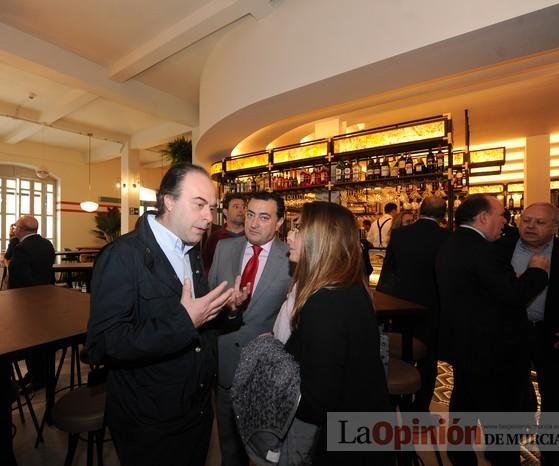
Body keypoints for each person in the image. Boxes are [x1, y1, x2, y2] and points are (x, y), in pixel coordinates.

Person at [86, 163, 236, 466]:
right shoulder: (122, 256)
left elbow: (197, 320)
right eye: (199, 204)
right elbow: (102, 344)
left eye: (212, 207)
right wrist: (185, 321)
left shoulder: (190, 250)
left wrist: (225, 310)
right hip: (150, 423)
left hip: (195, 411)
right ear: (168, 201)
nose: (209, 217)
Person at [436, 194, 550, 466]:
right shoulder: (484, 251)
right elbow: (513, 295)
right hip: (493, 353)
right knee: (500, 422)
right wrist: (537, 272)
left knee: (464, 406)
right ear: (483, 217)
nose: (505, 221)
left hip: (464, 346)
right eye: (501, 215)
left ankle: (460, 457)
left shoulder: (451, 244)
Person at [283, 201, 393, 465]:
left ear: (320, 240)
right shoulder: (349, 288)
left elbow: (316, 400)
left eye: (298, 229)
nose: (289, 236)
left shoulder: (324, 302)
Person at [498, 202, 559, 466]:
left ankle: (552, 457)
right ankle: (505, 455)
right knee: (507, 399)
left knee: (555, 402)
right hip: (510, 336)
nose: (530, 226)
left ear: (555, 226)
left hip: (556, 338)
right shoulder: (499, 250)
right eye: (526, 220)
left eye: (539, 222)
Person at [208, 191, 291, 466]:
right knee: (228, 448)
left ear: (279, 223)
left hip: (266, 372)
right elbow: (208, 302)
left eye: (264, 217)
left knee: (264, 451)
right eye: (250, 215)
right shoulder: (224, 249)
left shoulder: (292, 259)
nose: (253, 224)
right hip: (225, 367)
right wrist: (224, 307)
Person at [377, 196, 449, 412]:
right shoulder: (448, 238)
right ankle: (419, 409)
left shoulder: (400, 235)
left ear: (419, 211)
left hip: (400, 307)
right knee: (429, 362)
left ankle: (394, 401)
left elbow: (388, 273)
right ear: (443, 215)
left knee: (399, 354)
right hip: (433, 309)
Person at [7, 215, 55, 289]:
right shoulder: (47, 243)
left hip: (27, 293)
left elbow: (15, 276)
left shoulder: (21, 248)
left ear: (19, 229)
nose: (14, 229)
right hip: (47, 289)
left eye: (15, 227)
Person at [202, 192, 246, 270]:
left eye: (243, 207)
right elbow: (207, 266)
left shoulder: (251, 236)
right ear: (225, 212)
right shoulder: (214, 238)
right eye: (236, 207)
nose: (241, 210)